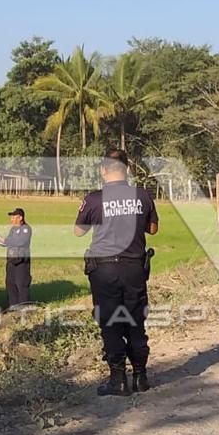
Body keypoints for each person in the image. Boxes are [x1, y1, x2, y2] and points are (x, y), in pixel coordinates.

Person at [75, 148, 159, 396]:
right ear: (127, 169)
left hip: (104, 269)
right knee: (136, 320)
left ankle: (118, 379)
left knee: (110, 322)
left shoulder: (93, 199)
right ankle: (141, 377)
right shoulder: (142, 195)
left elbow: (79, 231)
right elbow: (153, 229)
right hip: (134, 267)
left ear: (103, 170)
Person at [0, 208, 32, 309]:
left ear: (20, 218)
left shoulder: (26, 229)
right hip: (11, 261)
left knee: (21, 285)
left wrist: (5, 240)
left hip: (21, 262)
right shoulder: (13, 229)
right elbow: (10, 241)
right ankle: (13, 307)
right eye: (11, 217)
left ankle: (23, 308)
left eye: (14, 217)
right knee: (10, 284)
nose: (12, 220)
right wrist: (0, 241)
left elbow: (20, 242)